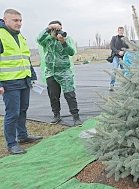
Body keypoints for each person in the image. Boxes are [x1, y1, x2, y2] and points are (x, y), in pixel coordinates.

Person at [0, 9, 42, 154]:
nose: (19, 23)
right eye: (15, 20)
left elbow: (25, 58)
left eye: (20, 20)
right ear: (5, 20)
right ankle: (12, 144)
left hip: (24, 80)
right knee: (12, 113)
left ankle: (23, 136)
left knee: (23, 109)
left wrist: (32, 76)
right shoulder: (1, 35)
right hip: (9, 82)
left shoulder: (20, 37)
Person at [37, 20, 82, 126]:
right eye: (55, 30)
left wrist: (63, 42)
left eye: (59, 29)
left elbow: (71, 52)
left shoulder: (67, 39)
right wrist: (48, 29)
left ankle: (76, 117)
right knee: (53, 96)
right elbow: (38, 39)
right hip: (50, 72)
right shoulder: (46, 40)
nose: (58, 31)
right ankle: (56, 115)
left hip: (65, 71)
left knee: (70, 94)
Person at [108, 26, 128, 91]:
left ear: (123, 31)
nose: (121, 31)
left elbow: (128, 47)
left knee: (125, 71)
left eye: (122, 30)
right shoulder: (114, 38)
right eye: (120, 30)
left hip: (123, 57)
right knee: (114, 70)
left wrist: (123, 52)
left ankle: (126, 85)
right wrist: (118, 52)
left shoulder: (125, 39)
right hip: (116, 56)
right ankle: (111, 85)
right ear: (118, 31)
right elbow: (112, 46)